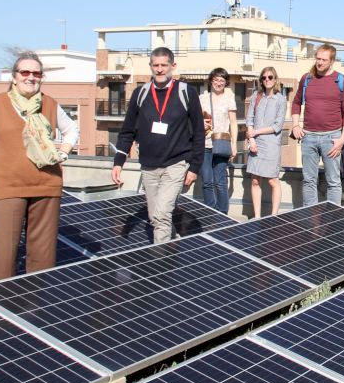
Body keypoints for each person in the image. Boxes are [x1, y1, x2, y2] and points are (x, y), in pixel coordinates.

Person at [0, 52, 78, 282]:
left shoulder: (50, 104)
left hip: (46, 185)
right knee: (3, 253)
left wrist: (63, 152)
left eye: (36, 73)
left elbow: (72, 130)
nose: (31, 77)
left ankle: (36, 300)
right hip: (7, 187)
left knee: (43, 255)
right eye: (25, 72)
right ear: (14, 77)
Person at [112, 46, 205, 242]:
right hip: (148, 166)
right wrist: (118, 162)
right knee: (155, 217)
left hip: (176, 164)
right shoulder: (140, 93)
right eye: (155, 65)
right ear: (151, 67)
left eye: (164, 65)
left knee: (162, 215)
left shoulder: (186, 92)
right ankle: (171, 246)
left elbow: (198, 132)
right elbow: (127, 130)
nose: (160, 69)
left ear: (173, 66)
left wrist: (194, 167)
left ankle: (160, 259)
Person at [291, 43, 344, 206]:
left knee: (333, 181)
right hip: (308, 138)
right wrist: (295, 125)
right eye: (318, 58)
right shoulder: (306, 78)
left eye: (323, 60)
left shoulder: (341, 80)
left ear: (332, 61)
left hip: (332, 138)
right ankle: (310, 216)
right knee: (308, 181)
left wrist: (342, 140)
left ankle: (332, 217)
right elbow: (296, 103)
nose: (319, 62)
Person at [245, 66, 286, 217]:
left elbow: (277, 126)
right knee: (255, 180)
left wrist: (256, 132)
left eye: (270, 77)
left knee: (272, 181)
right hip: (256, 143)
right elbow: (249, 119)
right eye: (264, 77)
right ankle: (257, 217)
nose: (267, 80)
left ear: (275, 79)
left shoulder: (281, 99)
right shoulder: (256, 96)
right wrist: (252, 140)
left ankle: (274, 216)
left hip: (271, 144)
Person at [199, 67, 237, 213]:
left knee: (220, 182)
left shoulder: (229, 99)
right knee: (207, 181)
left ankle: (222, 213)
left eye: (222, 80)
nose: (219, 83)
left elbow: (233, 123)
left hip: (221, 143)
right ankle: (210, 212)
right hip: (204, 144)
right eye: (216, 80)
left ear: (226, 82)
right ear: (211, 81)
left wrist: (234, 144)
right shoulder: (202, 98)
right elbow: (194, 120)